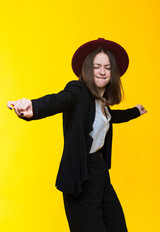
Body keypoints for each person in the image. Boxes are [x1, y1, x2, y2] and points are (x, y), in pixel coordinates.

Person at [7, 38, 147, 232]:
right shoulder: (79, 91)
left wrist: (135, 112)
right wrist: (34, 106)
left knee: (118, 227)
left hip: (99, 173)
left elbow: (112, 117)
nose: (102, 71)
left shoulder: (102, 103)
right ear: (87, 70)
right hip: (81, 175)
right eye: (96, 66)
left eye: (107, 67)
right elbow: (60, 100)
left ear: (113, 72)